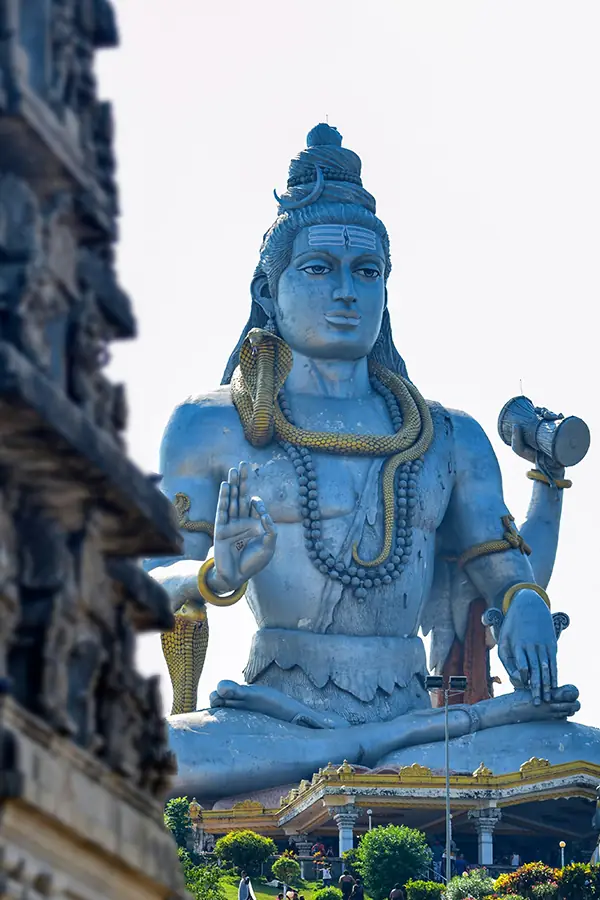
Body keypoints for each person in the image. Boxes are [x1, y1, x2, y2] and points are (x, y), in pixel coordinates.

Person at [152, 122, 582, 806]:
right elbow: (150, 576)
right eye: (319, 268)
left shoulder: (447, 436)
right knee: (144, 752)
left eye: (366, 271)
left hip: (417, 716)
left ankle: (366, 752)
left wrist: (524, 602)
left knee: (581, 750)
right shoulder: (211, 425)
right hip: (271, 716)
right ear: (268, 290)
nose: (347, 291)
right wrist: (214, 574)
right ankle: (364, 752)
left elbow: (503, 572)